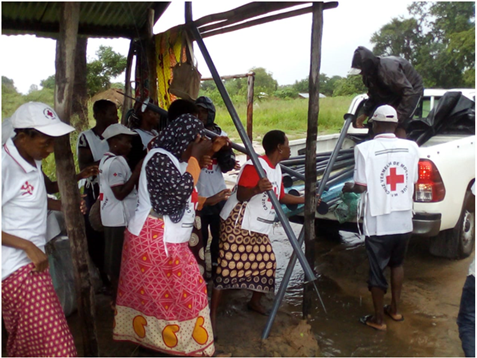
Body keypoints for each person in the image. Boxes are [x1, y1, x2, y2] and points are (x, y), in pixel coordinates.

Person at [113, 114, 218, 356]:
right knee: (166, 297)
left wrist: (196, 161)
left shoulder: (176, 162)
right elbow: (175, 198)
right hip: (153, 239)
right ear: (184, 140)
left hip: (166, 240)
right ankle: (161, 346)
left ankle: (169, 345)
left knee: (174, 296)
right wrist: (194, 160)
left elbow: (189, 195)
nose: (201, 143)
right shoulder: (159, 158)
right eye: (197, 140)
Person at [210, 130, 305, 335]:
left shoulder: (276, 168)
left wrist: (305, 199)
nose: (289, 148)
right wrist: (256, 189)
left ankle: (254, 301)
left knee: (267, 263)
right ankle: (212, 315)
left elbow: (279, 196)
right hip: (239, 223)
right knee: (226, 268)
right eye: (287, 144)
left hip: (258, 225)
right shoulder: (255, 165)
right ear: (279, 147)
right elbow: (243, 195)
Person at [2, 102, 77, 357]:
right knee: (58, 348)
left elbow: (32, 199)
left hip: (33, 265)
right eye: (45, 143)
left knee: (26, 343)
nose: (50, 149)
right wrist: (27, 245)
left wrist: (66, 207)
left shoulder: (30, 160)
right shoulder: (4, 164)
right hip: (15, 269)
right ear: (23, 137)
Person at [342, 105, 419, 332]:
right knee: (397, 264)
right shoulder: (412, 147)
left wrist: (348, 187)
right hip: (404, 218)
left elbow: (360, 186)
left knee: (377, 271)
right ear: (395, 125)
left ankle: (378, 319)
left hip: (378, 222)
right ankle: (394, 310)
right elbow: (411, 181)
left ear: (374, 125)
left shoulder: (364, 149)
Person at [98, 124, 142, 307]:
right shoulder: (115, 162)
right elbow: (120, 193)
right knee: (117, 262)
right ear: (114, 142)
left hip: (113, 216)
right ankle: (119, 301)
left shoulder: (109, 160)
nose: (130, 145)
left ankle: (120, 299)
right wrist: (137, 173)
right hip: (118, 218)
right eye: (127, 141)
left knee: (117, 260)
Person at [77, 99, 119, 288]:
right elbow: (84, 166)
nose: (116, 117)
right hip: (96, 190)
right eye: (112, 113)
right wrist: (109, 160)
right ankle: (104, 275)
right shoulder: (87, 138)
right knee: (95, 232)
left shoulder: (118, 135)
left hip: (115, 189)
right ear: (99, 115)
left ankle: (113, 274)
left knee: (114, 233)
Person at [195, 96, 237, 276]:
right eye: (197, 112)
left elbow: (228, 167)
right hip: (199, 195)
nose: (200, 115)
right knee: (200, 237)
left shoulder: (221, 134)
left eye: (203, 111)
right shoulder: (193, 134)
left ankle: (216, 266)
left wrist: (225, 151)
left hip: (218, 193)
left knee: (219, 236)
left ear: (210, 113)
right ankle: (200, 271)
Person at [349, 46, 423, 138]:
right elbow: (373, 96)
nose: (361, 74)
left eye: (361, 71)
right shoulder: (368, 76)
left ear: (368, 66)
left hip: (411, 89)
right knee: (376, 120)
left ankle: (399, 146)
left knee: (396, 123)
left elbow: (408, 92)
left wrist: (397, 119)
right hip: (392, 91)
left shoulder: (389, 70)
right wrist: (365, 114)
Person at [126, 97, 161, 170]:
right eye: (154, 113)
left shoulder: (155, 133)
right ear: (143, 113)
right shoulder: (136, 136)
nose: (158, 115)